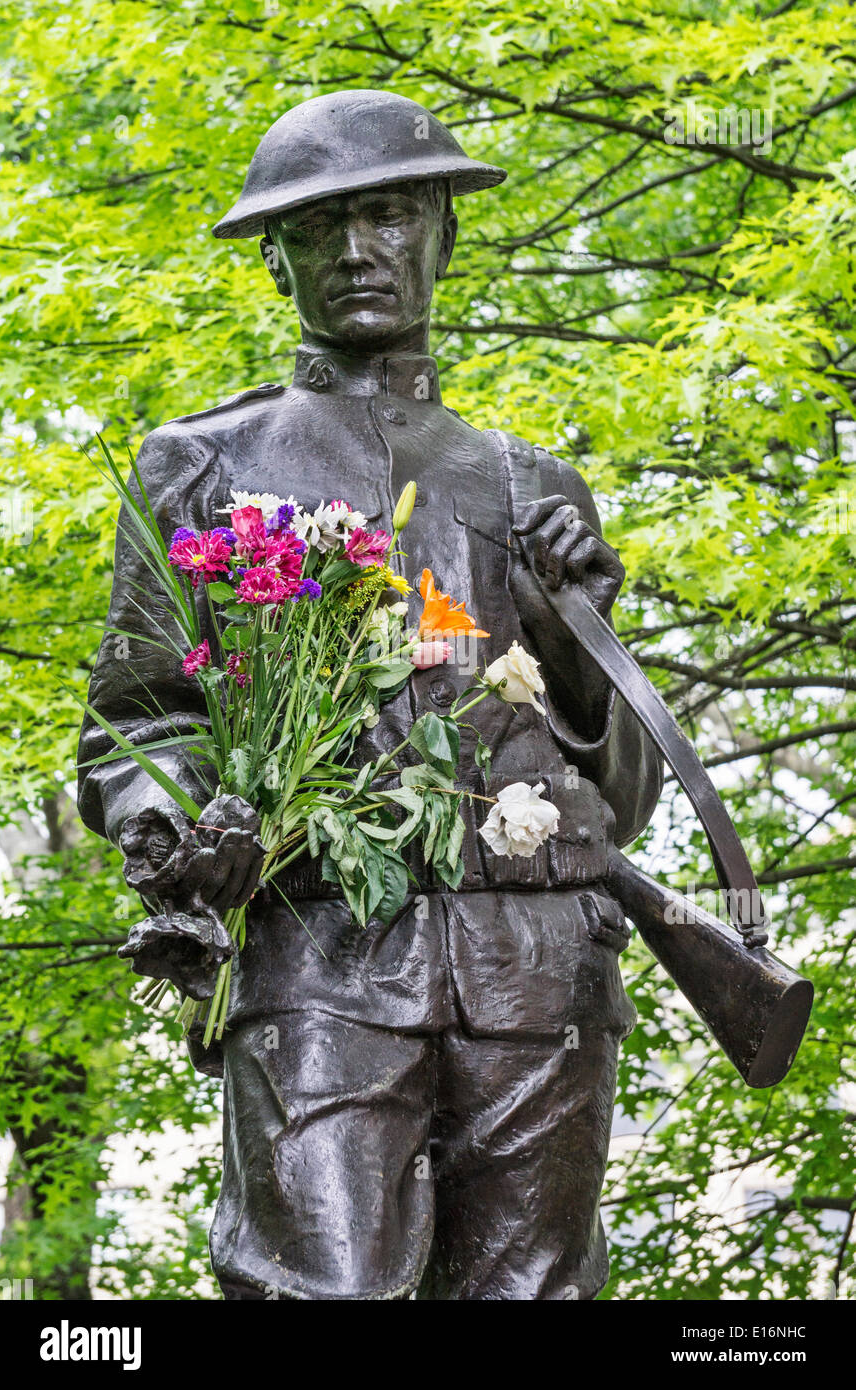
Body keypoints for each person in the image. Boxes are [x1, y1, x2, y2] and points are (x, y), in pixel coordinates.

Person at [78, 90, 663, 1300]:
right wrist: (176, 831)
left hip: (535, 978)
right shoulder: (202, 466)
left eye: (388, 215)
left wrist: (567, 646)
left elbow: (624, 794)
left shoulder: (533, 486)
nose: (356, 251)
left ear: (441, 227)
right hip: (318, 958)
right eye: (319, 226)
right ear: (275, 254)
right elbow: (138, 716)